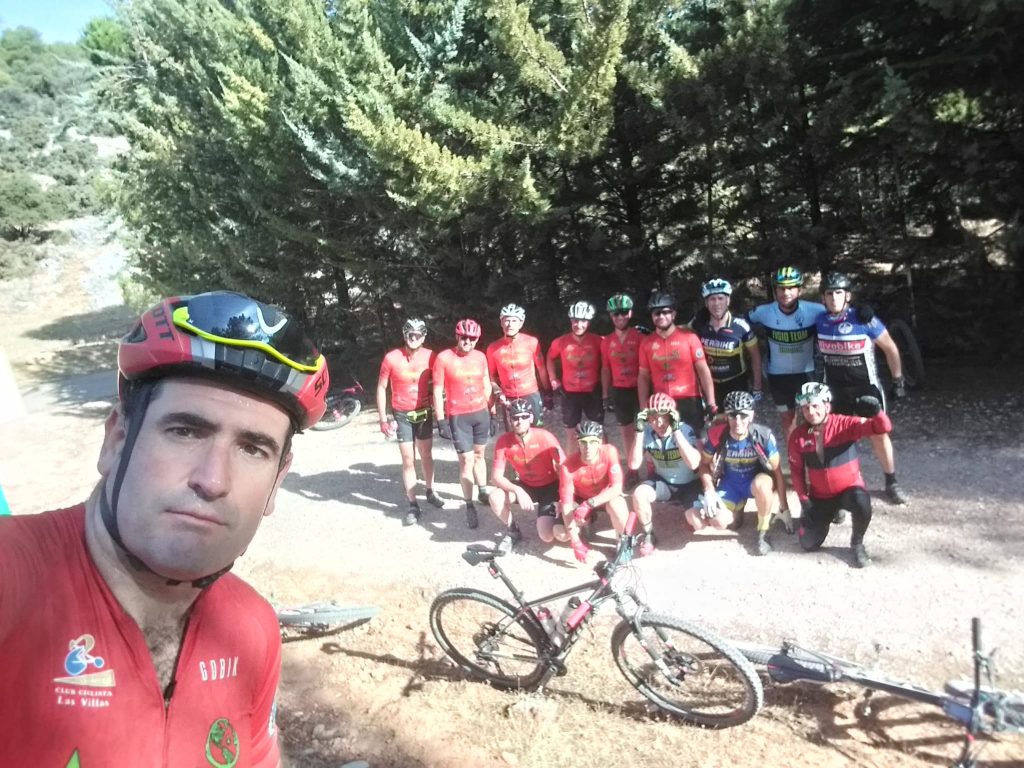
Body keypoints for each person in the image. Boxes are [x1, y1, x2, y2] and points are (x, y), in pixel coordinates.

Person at [0, 290, 328, 766]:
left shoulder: (253, 629)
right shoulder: (13, 576)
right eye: (185, 431)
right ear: (116, 440)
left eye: (253, 449)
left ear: (277, 481)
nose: (213, 480)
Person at [816, 272, 909, 505]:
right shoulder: (818, 320)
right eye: (829, 293)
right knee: (835, 439)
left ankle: (891, 482)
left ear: (847, 296)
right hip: (835, 390)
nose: (834, 298)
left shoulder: (863, 319)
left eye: (839, 293)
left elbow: (890, 348)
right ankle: (838, 489)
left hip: (865, 388)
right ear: (823, 298)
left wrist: (898, 380)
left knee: (878, 434)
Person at [788, 382, 893, 568]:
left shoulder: (844, 424)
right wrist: (804, 500)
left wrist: (877, 412)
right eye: (806, 408)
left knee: (862, 503)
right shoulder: (799, 435)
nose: (811, 412)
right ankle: (834, 512)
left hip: (849, 489)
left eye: (815, 406)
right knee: (807, 543)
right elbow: (796, 471)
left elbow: (882, 428)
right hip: (821, 496)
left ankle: (857, 543)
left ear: (827, 406)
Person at [685, 390, 792, 556]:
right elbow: (703, 464)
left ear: (752, 415)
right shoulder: (718, 434)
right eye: (733, 416)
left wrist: (784, 508)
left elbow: (777, 472)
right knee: (720, 522)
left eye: (743, 416)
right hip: (731, 484)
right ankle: (738, 508)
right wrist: (709, 490)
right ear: (727, 416)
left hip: (755, 481)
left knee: (762, 485)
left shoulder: (763, 436)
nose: (738, 421)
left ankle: (764, 532)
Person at [376, 318, 446, 526]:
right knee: (408, 459)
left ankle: (430, 490)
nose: (413, 338)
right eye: (410, 334)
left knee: (426, 454)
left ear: (423, 337)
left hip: (423, 410)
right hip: (402, 413)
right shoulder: (391, 358)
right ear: (404, 335)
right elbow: (381, 388)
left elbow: (440, 383)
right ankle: (413, 504)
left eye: (418, 335)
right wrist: (382, 418)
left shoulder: (431, 356)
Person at [746, 266, 826, 438]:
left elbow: (840, 314)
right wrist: (703, 319)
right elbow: (736, 323)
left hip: (807, 373)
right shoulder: (764, 312)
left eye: (791, 288)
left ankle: (816, 452)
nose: (786, 293)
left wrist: (861, 312)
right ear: (775, 291)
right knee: (787, 419)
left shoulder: (815, 310)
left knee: (815, 417)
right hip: (778, 376)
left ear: (800, 290)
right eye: (781, 288)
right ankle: (794, 453)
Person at [433, 318, 493, 529]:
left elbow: (486, 383)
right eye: (464, 337)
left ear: (477, 339)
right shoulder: (444, 358)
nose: (468, 341)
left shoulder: (481, 357)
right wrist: (441, 420)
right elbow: (437, 390)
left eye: (472, 338)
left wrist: (493, 410)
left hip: (481, 412)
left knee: (479, 455)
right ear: (457, 336)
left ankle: (483, 491)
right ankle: (469, 504)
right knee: (466, 461)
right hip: (459, 416)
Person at [628, 393, 702, 557]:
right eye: (653, 418)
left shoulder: (685, 429)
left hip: (690, 484)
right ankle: (649, 534)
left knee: (697, 523)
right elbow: (633, 464)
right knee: (639, 494)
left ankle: (690, 511)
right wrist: (639, 432)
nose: (659, 423)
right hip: (664, 482)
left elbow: (694, 463)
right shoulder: (647, 431)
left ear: (672, 416)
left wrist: (676, 432)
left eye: (664, 417)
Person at [488, 398, 566, 555]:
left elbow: (565, 467)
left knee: (547, 536)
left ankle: (576, 522)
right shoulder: (504, 442)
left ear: (531, 418)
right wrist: (518, 490)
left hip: (550, 486)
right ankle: (513, 530)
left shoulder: (545, 437)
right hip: (525, 484)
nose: (520, 421)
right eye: (515, 417)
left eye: (524, 417)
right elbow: (495, 477)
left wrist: (565, 498)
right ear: (510, 420)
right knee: (495, 497)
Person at [637, 291, 717, 435]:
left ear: (673, 314)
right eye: (657, 313)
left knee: (695, 441)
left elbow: (703, 370)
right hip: (660, 403)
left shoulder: (689, 337)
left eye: (665, 312)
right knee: (666, 443)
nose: (661, 316)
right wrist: (643, 407)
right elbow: (643, 376)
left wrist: (711, 402)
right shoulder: (646, 343)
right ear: (652, 316)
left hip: (690, 400)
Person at [558, 421, 629, 563]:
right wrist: (575, 543)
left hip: (604, 496)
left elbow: (617, 487)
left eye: (593, 442)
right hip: (581, 498)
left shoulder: (609, 452)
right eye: (583, 442)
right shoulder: (567, 466)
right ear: (577, 443)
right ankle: (587, 524)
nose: (588, 447)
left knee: (618, 505)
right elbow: (566, 505)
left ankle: (622, 542)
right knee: (561, 530)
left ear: (600, 442)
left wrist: (590, 503)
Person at [690, 278, 763, 405]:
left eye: (720, 298)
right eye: (712, 299)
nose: (716, 303)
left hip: (737, 382)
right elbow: (679, 332)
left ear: (728, 300)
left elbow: (755, 356)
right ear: (706, 303)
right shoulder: (698, 324)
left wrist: (757, 387)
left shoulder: (741, 326)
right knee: (715, 417)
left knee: (737, 417)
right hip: (710, 384)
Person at [546, 301, 603, 446]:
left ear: (589, 322)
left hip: (592, 392)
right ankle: (572, 460)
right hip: (569, 393)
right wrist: (553, 378)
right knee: (571, 434)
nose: (579, 325)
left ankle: (604, 458)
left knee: (599, 432)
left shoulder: (598, 340)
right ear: (571, 321)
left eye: (583, 321)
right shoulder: (560, 342)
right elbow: (550, 358)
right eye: (575, 320)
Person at [486, 303, 551, 427]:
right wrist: (498, 393)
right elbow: (491, 376)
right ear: (501, 323)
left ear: (521, 323)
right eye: (506, 320)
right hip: (508, 398)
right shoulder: (493, 348)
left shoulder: (532, 342)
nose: (510, 324)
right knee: (513, 435)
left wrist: (548, 393)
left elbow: (541, 369)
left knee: (536, 431)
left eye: (514, 321)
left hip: (531, 394)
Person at [601, 293, 643, 485]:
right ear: (610, 316)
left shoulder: (640, 336)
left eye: (624, 312)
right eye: (616, 313)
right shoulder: (606, 341)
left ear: (630, 313)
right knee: (626, 431)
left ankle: (651, 466)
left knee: (646, 430)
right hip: (619, 390)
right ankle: (633, 470)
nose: (620, 317)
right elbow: (605, 369)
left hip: (639, 389)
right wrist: (605, 394)